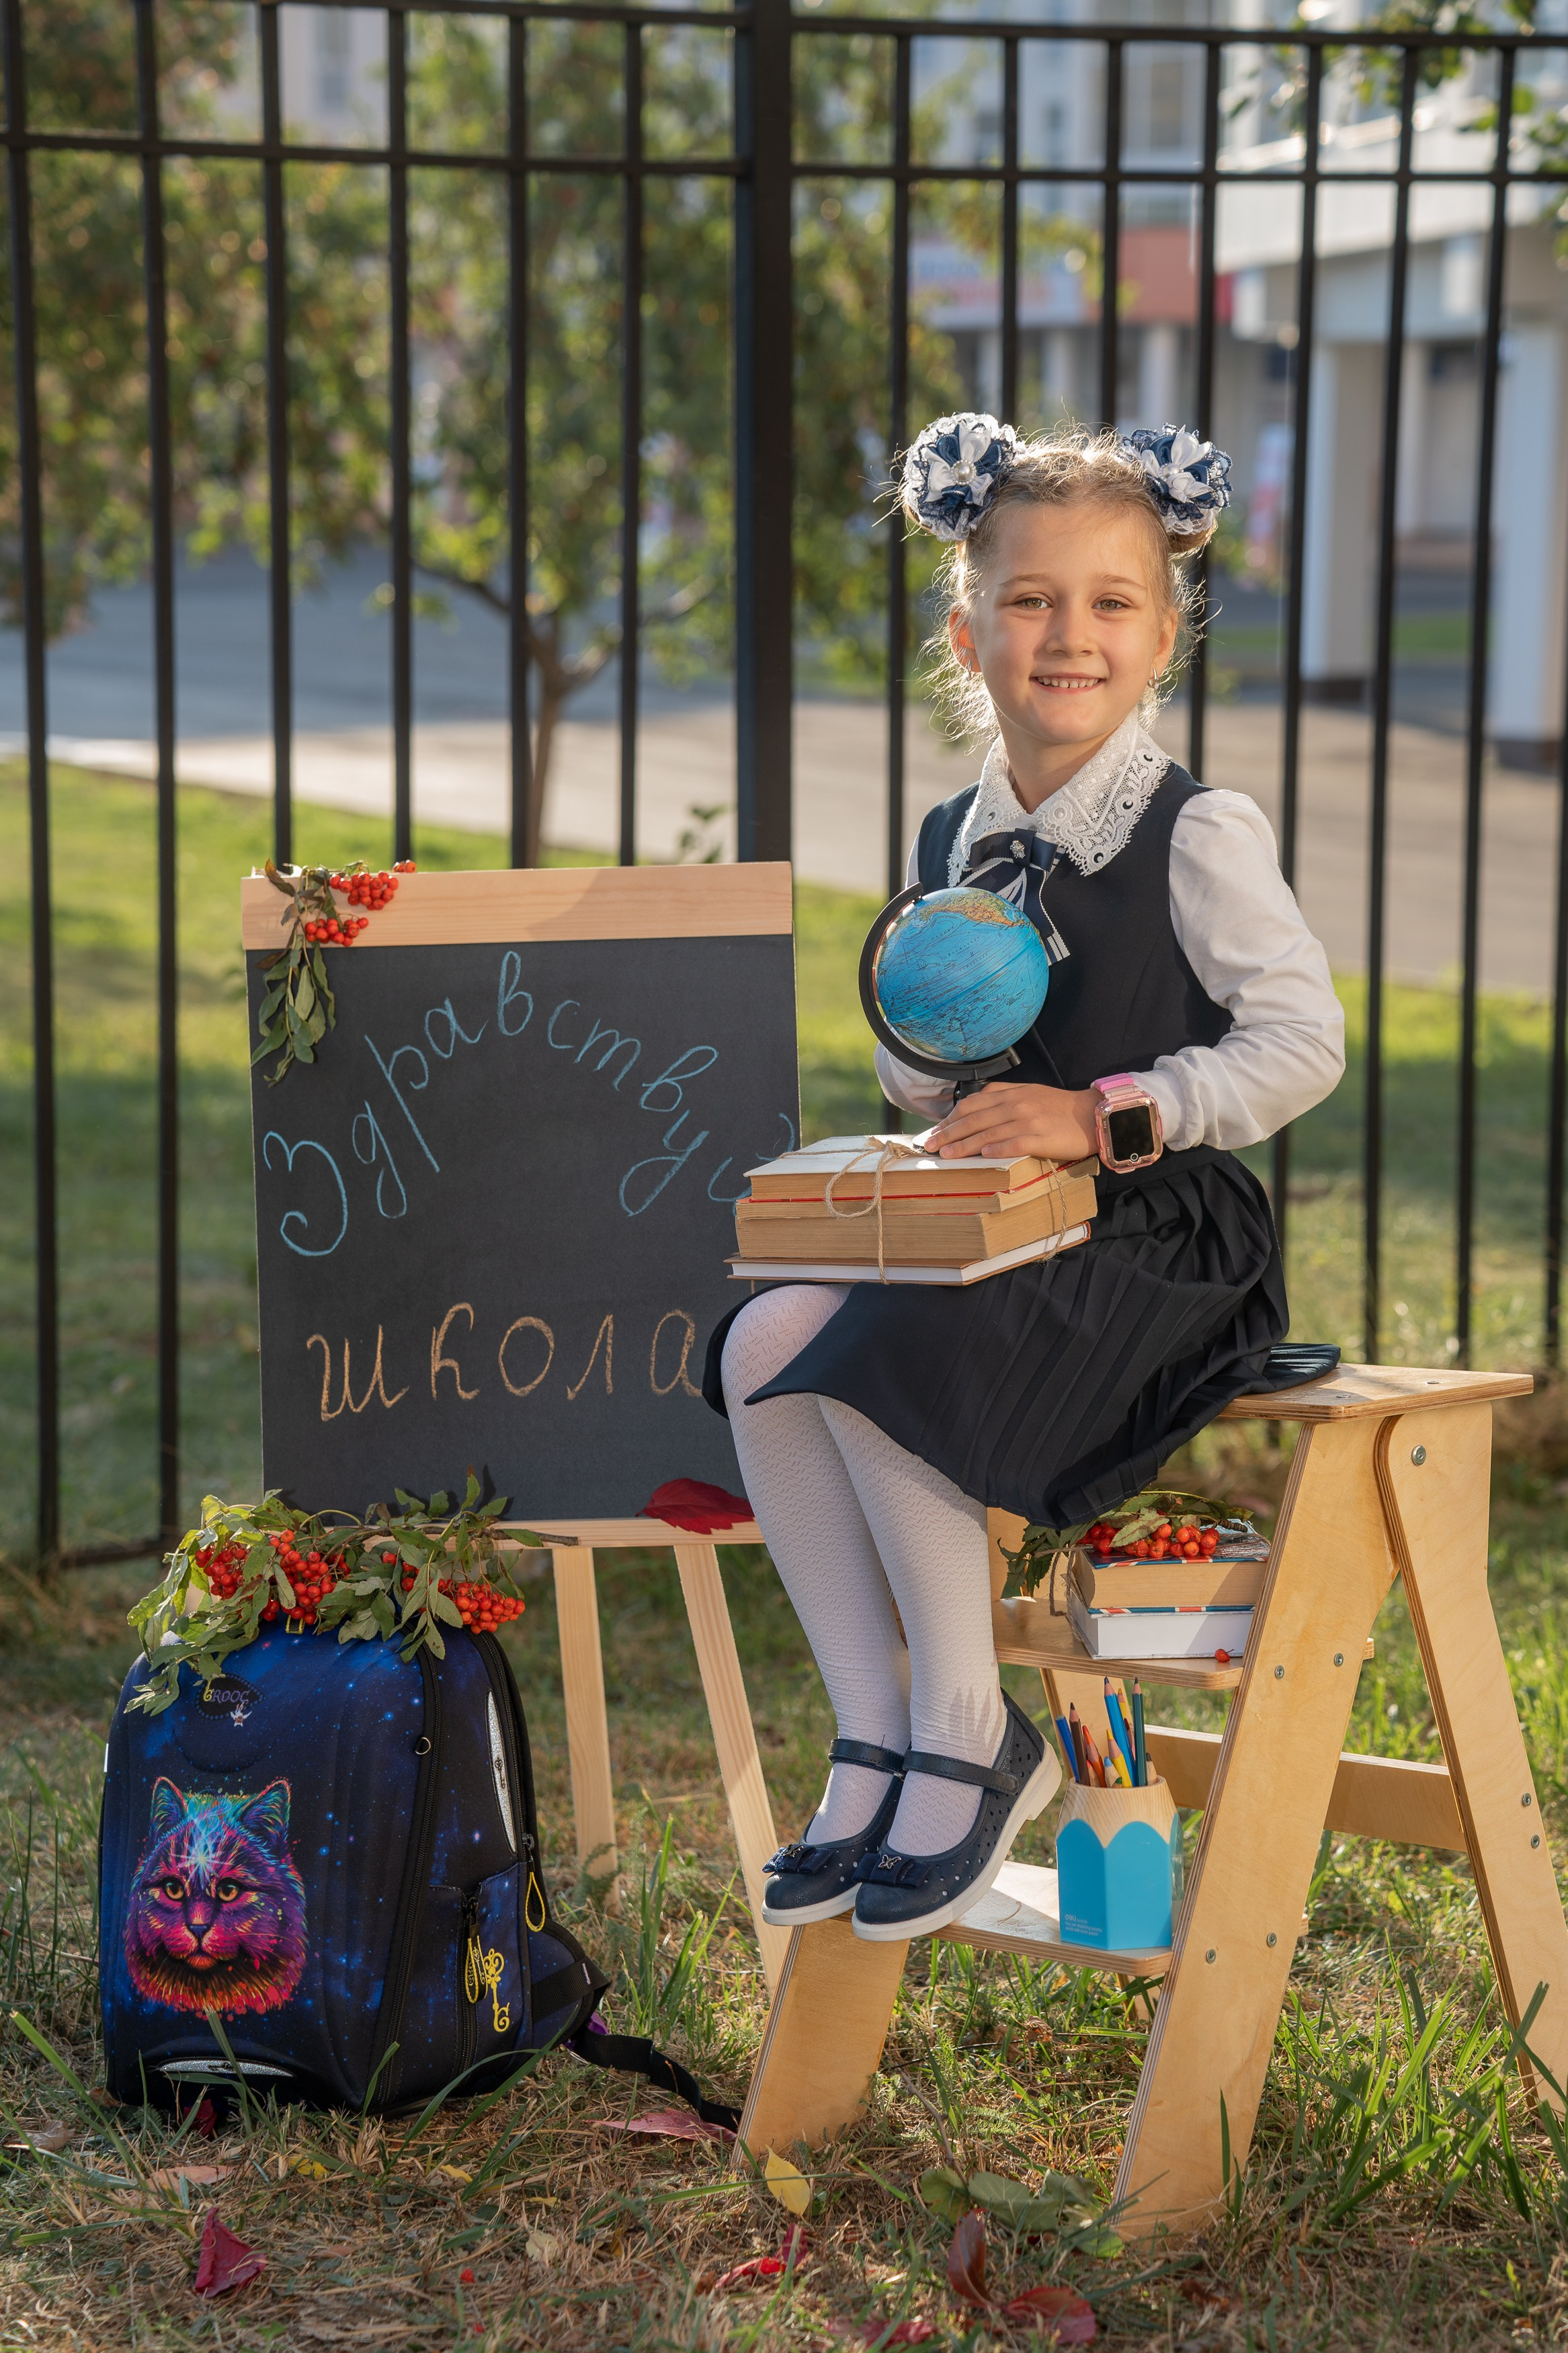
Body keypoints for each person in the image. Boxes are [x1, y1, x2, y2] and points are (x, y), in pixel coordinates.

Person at [703, 415, 1346, 1945]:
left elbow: (1301, 1042)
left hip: (1159, 1236)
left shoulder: (1195, 831)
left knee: (876, 1351)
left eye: (1111, 601)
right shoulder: (957, 836)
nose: (1069, 633)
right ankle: (877, 1726)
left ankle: (968, 1718)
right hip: (999, 1226)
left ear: (1164, 630)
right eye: (1031, 598)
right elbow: (943, 1084)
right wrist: (926, 1060)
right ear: (968, 628)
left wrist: (1106, 1111)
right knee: (764, 1348)